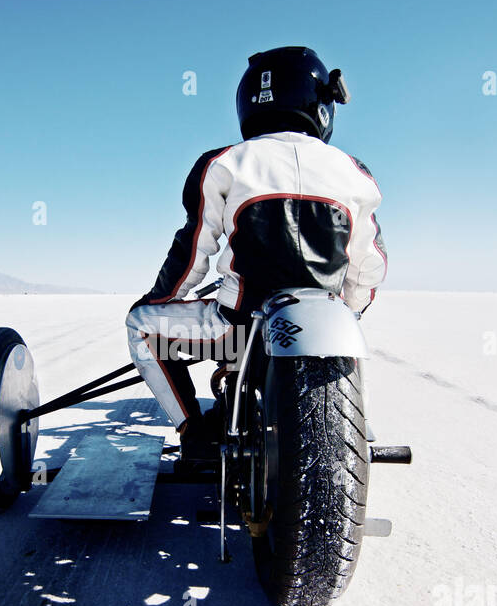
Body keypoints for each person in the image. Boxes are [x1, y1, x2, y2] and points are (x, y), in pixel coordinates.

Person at [125, 46, 387, 452]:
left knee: (141, 324)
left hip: (238, 333)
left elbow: (193, 249)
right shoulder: (355, 172)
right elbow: (368, 267)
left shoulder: (224, 162)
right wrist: (346, 315)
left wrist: (162, 299)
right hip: (322, 325)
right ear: (322, 103)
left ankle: (194, 432)